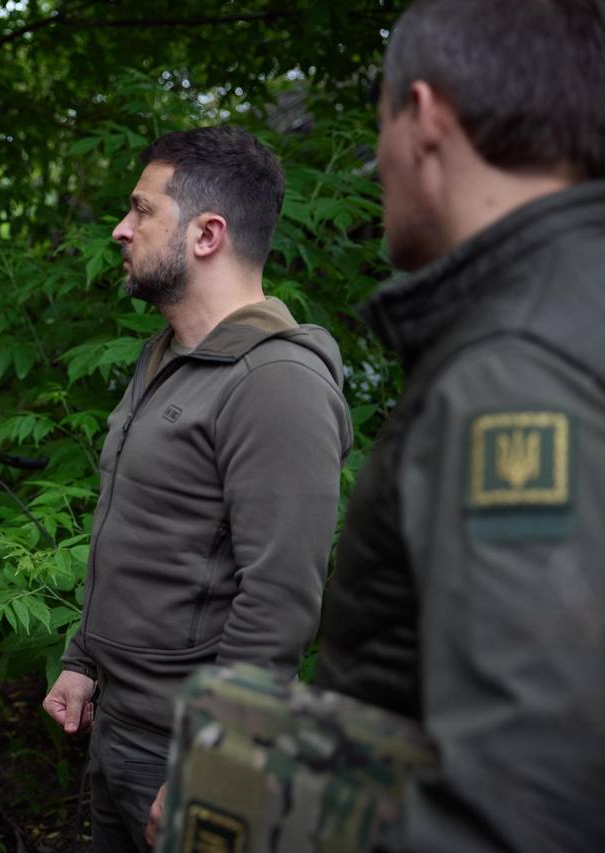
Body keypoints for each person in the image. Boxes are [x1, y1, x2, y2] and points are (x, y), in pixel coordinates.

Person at [312, 0, 605, 849]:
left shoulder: (516, 375)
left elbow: (531, 800)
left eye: (382, 126)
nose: (378, 163)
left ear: (427, 119)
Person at [42, 126, 352, 852]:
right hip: (119, 726)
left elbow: (279, 599)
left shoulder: (278, 383)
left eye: (142, 211)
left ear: (207, 234)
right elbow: (137, 528)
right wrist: (84, 659)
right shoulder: (165, 357)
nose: (121, 229)